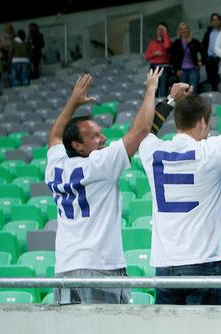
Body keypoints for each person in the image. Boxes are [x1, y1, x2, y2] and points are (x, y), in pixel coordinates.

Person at [137, 78, 221, 305]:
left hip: (165, 264)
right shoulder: (211, 150)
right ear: (202, 122)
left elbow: (144, 131)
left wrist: (170, 100)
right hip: (203, 262)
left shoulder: (153, 153)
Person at [45, 68, 164, 304]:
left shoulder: (55, 165)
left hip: (66, 268)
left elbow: (55, 135)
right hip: (99, 267)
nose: (103, 139)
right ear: (78, 146)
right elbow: (141, 130)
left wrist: (73, 102)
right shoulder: (99, 164)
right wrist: (151, 88)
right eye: (95, 137)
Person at [170, 22, 202, 92]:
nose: (183, 31)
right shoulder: (176, 43)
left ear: (188, 30)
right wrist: (176, 70)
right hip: (181, 70)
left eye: (185, 28)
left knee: (192, 90)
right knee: (183, 92)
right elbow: (172, 58)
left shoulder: (195, 42)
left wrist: (200, 61)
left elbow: (203, 53)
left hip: (193, 69)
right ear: (179, 31)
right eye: (181, 29)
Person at [144, 22, 172, 98]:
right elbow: (147, 56)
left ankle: (162, 108)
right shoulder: (152, 43)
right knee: (153, 90)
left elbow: (167, 46)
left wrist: (165, 34)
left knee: (163, 90)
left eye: (162, 29)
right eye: (158, 29)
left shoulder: (168, 41)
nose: (160, 30)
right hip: (153, 67)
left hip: (164, 67)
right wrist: (154, 53)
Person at [201, 13, 221, 92]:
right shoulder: (208, 33)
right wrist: (204, 59)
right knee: (212, 81)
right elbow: (203, 46)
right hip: (210, 59)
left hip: (220, 58)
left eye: (217, 20)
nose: (215, 22)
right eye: (213, 20)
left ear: (220, 21)